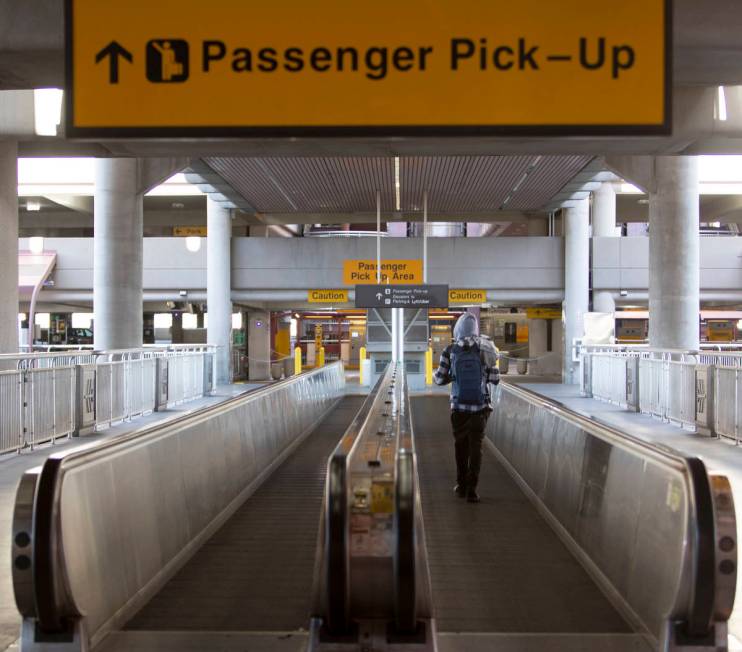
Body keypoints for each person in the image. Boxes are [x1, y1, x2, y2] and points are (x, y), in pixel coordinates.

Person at [433, 312, 500, 503]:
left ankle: (461, 485)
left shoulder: (450, 350)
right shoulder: (486, 349)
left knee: (460, 447)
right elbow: (495, 379)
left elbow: (438, 379)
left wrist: (453, 377)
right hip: (480, 407)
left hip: (459, 407)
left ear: (458, 329)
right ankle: (472, 489)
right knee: (476, 448)